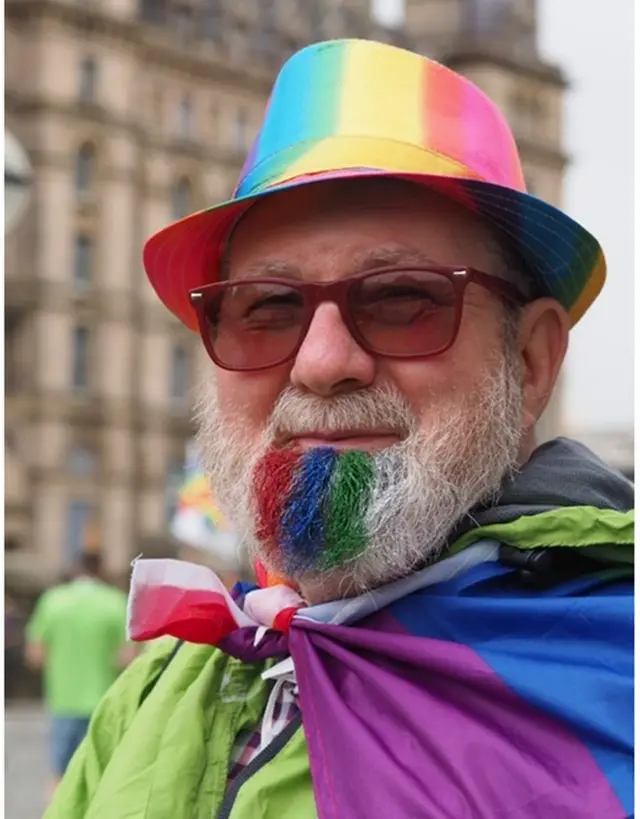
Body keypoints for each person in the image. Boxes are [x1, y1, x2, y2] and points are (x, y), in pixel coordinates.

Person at [46, 40, 633, 819]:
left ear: (527, 359)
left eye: (400, 299)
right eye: (267, 308)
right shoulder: (158, 690)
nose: (321, 363)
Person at [25, 552, 135, 800]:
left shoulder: (52, 600)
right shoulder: (117, 601)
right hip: (106, 702)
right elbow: (127, 657)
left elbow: (35, 654)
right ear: (101, 572)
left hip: (64, 700)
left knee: (59, 772)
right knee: (102, 774)